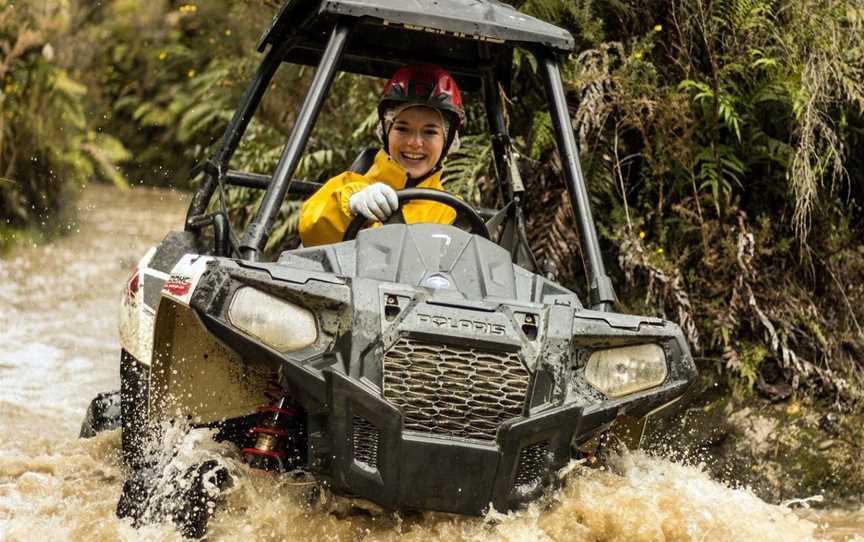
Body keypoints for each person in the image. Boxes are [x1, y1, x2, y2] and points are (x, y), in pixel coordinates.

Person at [298, 64, 464, 247]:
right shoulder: (347, 188)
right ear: (385, 132)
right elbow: (310, 229)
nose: (415, 143)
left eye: (430, 132)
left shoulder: (454, 213)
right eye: (402, 128)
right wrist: (351, 207)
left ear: (448, 142)